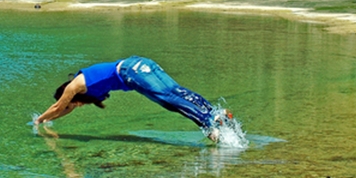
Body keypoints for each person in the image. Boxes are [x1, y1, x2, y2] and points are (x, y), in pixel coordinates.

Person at [34, 56, 232, 142]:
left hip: (131, 72)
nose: (75, 106)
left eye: (73, 102)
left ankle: (208, 124)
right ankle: (214, 113)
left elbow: (60, 106)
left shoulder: (74, 86)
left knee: (167, 98)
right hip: (140, 63)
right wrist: (47, 120)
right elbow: (65, 109)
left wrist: (38, 120)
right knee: (174, 91)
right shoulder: (83, 87)